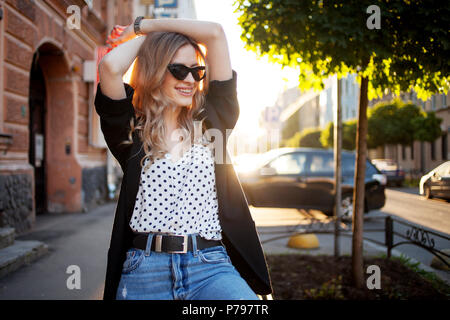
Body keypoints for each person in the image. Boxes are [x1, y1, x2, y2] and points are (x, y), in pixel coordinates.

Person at [94, 17, 272, 300]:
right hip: (144, 269)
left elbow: (215, 32)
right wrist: (151, 42)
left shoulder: (214, 123)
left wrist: (145, 26)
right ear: (154, 70)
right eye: (178, 70)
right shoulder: (131, 133)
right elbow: (110, 68)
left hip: (210, 267)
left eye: (196, 71)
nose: (190, 79)